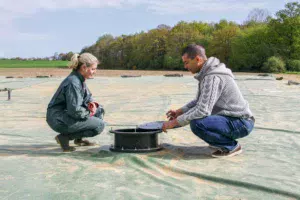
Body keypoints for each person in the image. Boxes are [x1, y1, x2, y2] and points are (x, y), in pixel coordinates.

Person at [162, 44, 255, 158]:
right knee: (197, 120)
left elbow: (202, 110)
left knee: (198, 124)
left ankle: (231, 146)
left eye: (186, 62)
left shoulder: (213, 77)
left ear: (197, 59)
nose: (185, 66)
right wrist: (179, 112)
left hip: (241, 122)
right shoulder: (208, 73)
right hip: (234, 119)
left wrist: (174, 123)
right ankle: (221, 142)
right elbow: (199, 101)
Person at [46, 53, 105, 152]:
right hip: (58, 119)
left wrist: (93, 104)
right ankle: (65, 138)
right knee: (100, 125)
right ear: (84, 67)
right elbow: (75, 111)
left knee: (99, 110)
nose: (95, 71)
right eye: (93, 69)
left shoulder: (79, 79)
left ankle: (79, 139)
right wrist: (90, 113)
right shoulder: (73, 83)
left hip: (64, 115)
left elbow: (88, 96)